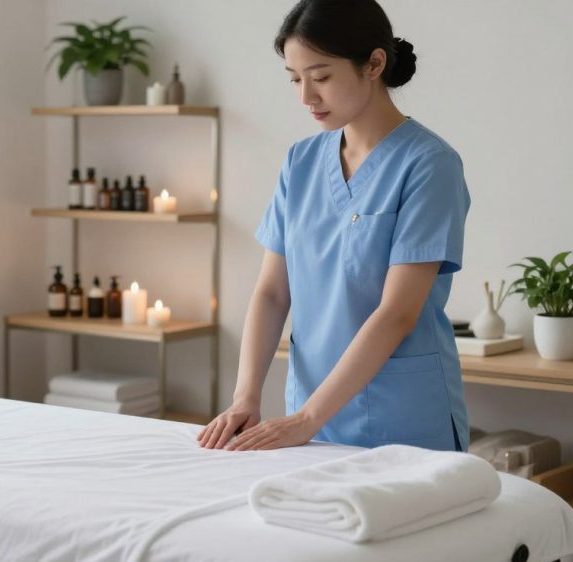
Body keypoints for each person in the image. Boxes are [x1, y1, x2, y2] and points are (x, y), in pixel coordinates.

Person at [198, 0, 471, 453]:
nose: (306, 96)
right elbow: (272, 293)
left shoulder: (429, 165)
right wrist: (245, 397)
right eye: (294, 79)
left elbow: (397, 313)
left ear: (374, 64)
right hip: (306, 417)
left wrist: (307, 419)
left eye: (320, 76)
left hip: (397, 419)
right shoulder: (301, 162)